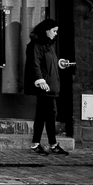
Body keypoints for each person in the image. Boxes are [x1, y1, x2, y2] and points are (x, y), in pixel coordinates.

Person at [24, 18, 69, 155]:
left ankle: (47, 144)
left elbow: (49, 65)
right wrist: (40, 81)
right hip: (45, 87)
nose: (56, 34)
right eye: (54, 31)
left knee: (48, 114)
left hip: (50, 85)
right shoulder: (36, 45)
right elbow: (34, 64)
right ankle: (41, 144)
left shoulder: (48, 46)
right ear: (46, 31)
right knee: (45, 114)